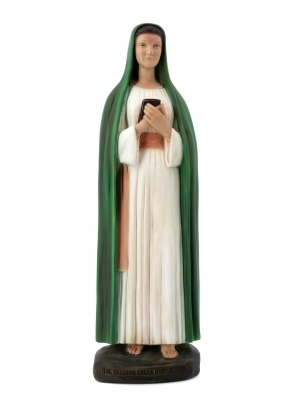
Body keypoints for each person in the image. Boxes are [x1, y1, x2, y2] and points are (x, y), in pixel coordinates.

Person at [96, 23, 200, 359]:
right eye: (143, 45)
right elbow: (115, 148)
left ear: (163, 51)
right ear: (133, 49)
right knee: (138, 248)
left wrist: (166, 130)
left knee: (165, 247)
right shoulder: (121, 96)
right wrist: (141, 127)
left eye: (156, 46)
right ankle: (136, 330)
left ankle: (168, 333)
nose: (149, 52)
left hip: (165, 180)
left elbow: (184, 151)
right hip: (136, 177)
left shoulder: (172, 96)